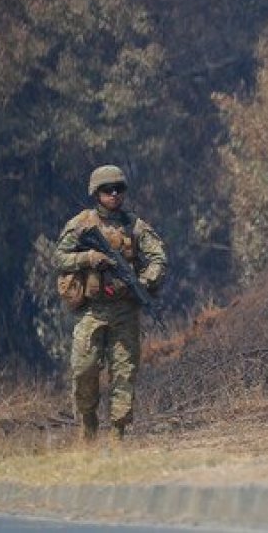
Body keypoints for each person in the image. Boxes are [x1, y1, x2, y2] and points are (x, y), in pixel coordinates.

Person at [55, 164, 168, 443]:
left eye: (119, 189)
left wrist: (144, 280)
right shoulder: (82, 224)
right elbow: (59, 257)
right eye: (108, 190)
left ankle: (118, 434)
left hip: (124, 309)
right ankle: (88, 426)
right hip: (92, 311)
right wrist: (87, 258)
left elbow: (158, 258)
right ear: (96, 193)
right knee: (84, 369)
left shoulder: (135, 226)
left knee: (124, 372)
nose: (114, 194)